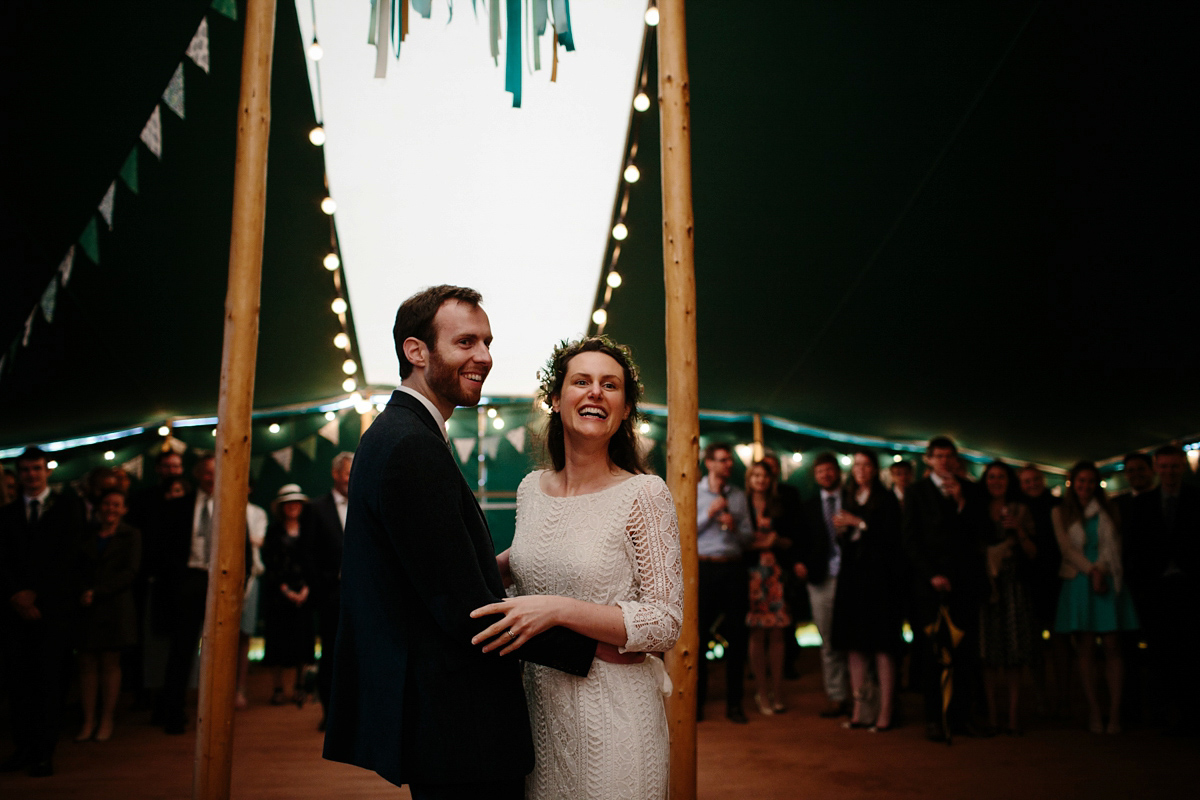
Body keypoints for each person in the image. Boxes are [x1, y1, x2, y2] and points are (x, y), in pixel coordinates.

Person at [323, 285, 599, 800]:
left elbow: (430, 572)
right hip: (460, 723)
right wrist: (595, 645)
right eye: (466, 342)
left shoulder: (402, 434)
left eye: (487, 342)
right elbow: (462, 608)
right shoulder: (409, 446)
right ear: (416, 351)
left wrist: (521, 560)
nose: (484, 357)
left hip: (446, 721)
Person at [470, 336, 683, 800]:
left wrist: (560, 610)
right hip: (538, 715)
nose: (595, 393)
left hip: (616, 715)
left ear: (625, 409)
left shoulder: (644, 495)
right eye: (581, 381)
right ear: (554, 399)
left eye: (610, 385)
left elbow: (665, 623)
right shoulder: (531, 489)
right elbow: (521, 563)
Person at [0, 447, 87, 777]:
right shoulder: (6, 515)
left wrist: (36, 594)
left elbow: (68, 557)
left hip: (54, 613)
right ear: (18, 474)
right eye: (25, 469)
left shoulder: (68, 508)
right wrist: (16, 595)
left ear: (47, 471)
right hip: (14, 615)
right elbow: (3, 560)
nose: (31, 475)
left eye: (36, 468)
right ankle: (23, 748)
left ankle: (45, 752)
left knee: (50, 685)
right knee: (19, 685)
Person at [902, 436, 990, 742]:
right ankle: (934, 719)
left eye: (949, 456)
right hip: (931, 587)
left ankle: (962, 717)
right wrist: (931, 575)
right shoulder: (916, 493)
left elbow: (984, 535)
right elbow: (910, 541)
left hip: (965, 584)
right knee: (932, 654)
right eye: (938, 456)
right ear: (928, 460)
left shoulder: (973, 492)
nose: (945, 461)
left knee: (966, 654)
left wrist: (962, 502)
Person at [1052, 460, 1138, 734]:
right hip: (1079, 580)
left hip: (1108, 576)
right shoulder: (1060, 511)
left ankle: (1114, 714)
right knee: (1085, 647)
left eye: (1090, 481)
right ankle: (1093, 711)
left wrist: (1101, 569)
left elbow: (1115, 544)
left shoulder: (1110, 508)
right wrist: (1091, 571)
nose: (1085, 486)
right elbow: (1066, 549)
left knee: (1113, 645)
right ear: (1072, 484)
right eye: (1081, 481)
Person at [1124, 445, 1199, 733]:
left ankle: (1191, 714)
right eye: (1164, 466)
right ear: (1156, 468)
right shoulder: (1143, 503)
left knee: (1191, 652)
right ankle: (1160, 714)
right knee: (1159, 653)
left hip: (1190, 588)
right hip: (1154, 589)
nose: (1169, 471)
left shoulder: (1195, 499)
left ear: (1183, 467)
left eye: (1174, 466)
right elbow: (1133, 548)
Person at [830, 448, 904, 732]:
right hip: (852, 580)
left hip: (880, 582)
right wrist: (842, 531)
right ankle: (860, 711)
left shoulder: (886, 500)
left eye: (865, 464)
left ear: (874, 469)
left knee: (882, 648)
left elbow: (892, 539)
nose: (860, 468)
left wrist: (858, 522)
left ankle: (886, 713)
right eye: (856, 464)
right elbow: (847, 543)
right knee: (854, 648)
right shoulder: (849, 498)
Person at [694, 441, 754, 723]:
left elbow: (749, 538)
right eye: (721, 460)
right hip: (705, 570)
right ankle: (697, 704)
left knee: (737, 638)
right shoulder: (693, 492)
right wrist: (709, 514)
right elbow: (684, 530)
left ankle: (735, 704)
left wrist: (735, 527)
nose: (727, 465)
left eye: (729, 460)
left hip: (733, 569)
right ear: (709, 463)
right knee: (699, 637)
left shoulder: (740, 496)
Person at [75, 489, 141, 743]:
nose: (111, 509)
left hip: (115, 605)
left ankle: (106, 719)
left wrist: (98, 592)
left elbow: (130, 571)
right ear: (98, 507)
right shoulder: (86, 534)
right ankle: (88, 720)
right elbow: (75, 567)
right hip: (86, 607)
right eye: (106, 504)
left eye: (116, 505)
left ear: (124, 509)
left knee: (110, 663)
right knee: (87, 664)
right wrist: (83, 591)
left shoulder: (131, 535)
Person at [979, 461, 1037, 735]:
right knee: (988, 656)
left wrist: (1020, 531)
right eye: (991, 477)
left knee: (1014, 656)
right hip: (987, 589)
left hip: (1013, 588)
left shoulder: (1021, 509)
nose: (996, 481)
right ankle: (992, 716)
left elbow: (1034, 553)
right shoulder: (977, 510)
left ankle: (1013, 718)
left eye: (1001, 477)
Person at [793, 452, 851, 718]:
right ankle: (837, 696)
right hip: (820, 578)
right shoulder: (808, 506)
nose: (826, 475)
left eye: (830, 470)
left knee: (857, 638)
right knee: (828, 640)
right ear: (815, 476)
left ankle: (862, 696)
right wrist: (800, 563)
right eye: (820, 471)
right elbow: (799, 540)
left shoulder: (853, 500)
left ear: (838, 472)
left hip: (853, 577)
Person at [1018, 463, 1069, 719]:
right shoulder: (1017, 507)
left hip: (1056, 579)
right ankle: (1041, 696)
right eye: (1026, 481)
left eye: (1035, 479)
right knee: (1034, 644)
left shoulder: (1056, 504)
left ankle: (1062, 696)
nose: (1031, 484)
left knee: (1060, 642)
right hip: (1029, 581)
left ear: (1043, 480)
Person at [262, 484, 317, 706]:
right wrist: (285, 590)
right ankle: (277, 688)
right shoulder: (273, 531)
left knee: (303, 642)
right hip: (279, 594)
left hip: (305, 593)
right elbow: (270, 563)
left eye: (296, 503)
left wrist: (306, 589)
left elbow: (314, 561)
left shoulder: (309, 529)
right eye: (288, 503)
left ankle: (300, 686)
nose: (293, 507)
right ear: (282, 507)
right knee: (277, 641)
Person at [744, 460, 792, 715]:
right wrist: (763, 544)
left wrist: (777, 541)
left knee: (777, 633)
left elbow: (790, 539)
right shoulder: (742, 504)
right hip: (751, 574)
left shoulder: (779, 503)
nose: (761, 480)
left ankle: (778, 690)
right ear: (750, 479)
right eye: (756, 475)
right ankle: (761, 691)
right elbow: (738, 541)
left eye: (765, 476)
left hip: (775, 573)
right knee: (757, 632)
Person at [311, 451, 353, 730]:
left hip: (365, 596)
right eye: (347, 472)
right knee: (330, 656)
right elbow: (309, 555)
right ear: (335, 474)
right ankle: (330, 715)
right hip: (331, 596)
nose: (351, 477)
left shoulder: (366, 501)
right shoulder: (316, 509)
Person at [235, 486, 268, 710]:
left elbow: (257, 540)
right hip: (219, 578)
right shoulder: (213, 508)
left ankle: (240, 689)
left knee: (244, 635)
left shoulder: (257, 513)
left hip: (250, 577)